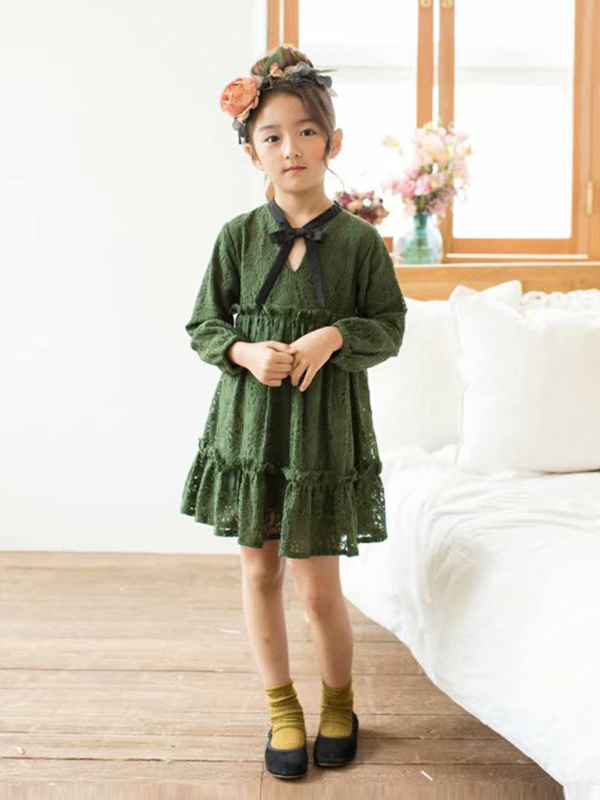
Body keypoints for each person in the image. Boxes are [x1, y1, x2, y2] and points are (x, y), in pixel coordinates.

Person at [180, 44, 408, 779]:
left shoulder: (360, 242)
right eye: (272, 136)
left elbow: (390, 327)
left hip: (322, 437)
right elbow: (204, 325)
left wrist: (335, 334)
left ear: (332, 142)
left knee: (317, 588)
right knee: (259, 575)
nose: (291, 148)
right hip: (252, 431)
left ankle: (339, 702)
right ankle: (282, 709)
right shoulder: (237, 237)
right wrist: (246, 352)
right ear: (252, 151)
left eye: (307, 131)